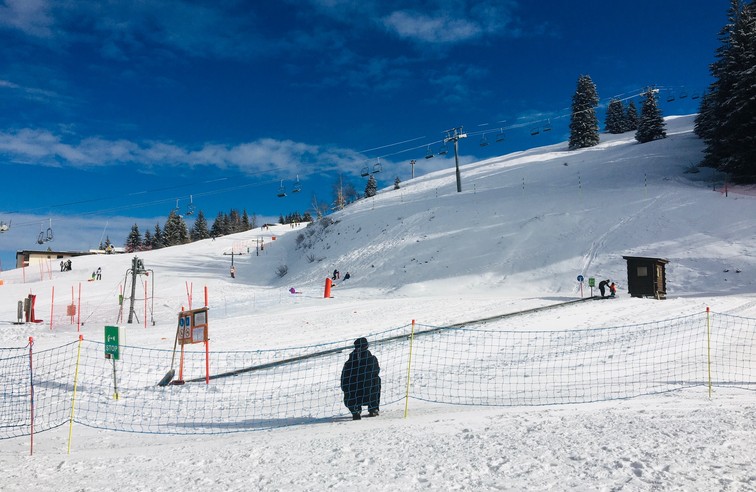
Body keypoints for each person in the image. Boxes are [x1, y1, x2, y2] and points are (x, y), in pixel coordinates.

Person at [340, 337, 381, 420]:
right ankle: (373, 408)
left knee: (349, 384)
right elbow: (376, 371)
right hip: (369, 392)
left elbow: (344, 377)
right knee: (376, 380)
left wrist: (344, 388)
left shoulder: (349, 362)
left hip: (354, 394)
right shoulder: (371, 359)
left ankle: (356, 410)